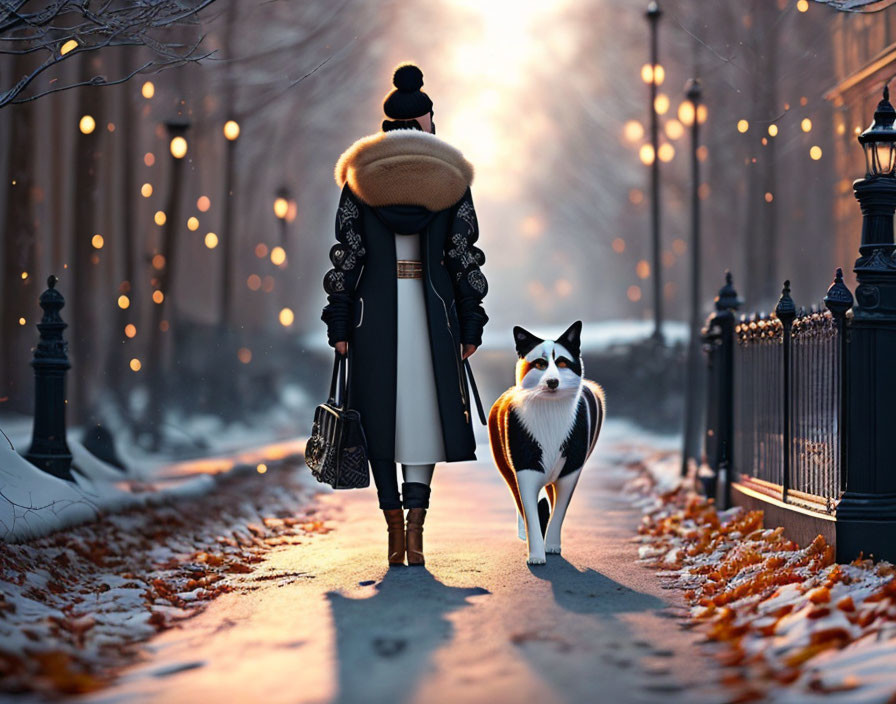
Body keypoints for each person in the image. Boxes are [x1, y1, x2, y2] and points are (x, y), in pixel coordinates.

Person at [322, 62, 488, 566]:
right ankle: (416, 533)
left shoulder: (361, 177)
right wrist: (470, 321)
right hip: (432, 314)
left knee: (377, 416)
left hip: (374, 316)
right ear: (425, 120)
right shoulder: (450, 178)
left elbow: (346, 255)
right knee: (424, 417)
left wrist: (340, 319)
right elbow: (463, 256)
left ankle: (393, 531)